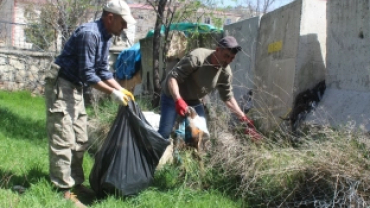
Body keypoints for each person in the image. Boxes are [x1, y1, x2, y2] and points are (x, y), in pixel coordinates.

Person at [44, 0, 135, 207]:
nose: (125, 27)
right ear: (110, 17)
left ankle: (75, 183)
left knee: (80, 138)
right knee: (63, 137)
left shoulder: (106, 37)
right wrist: (112, 92)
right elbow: (88, 73)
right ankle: (62, 191)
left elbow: (102, 70)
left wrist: (120, 89)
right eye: (123, 22)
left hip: (75, 87)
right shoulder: (90, 34)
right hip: (61, 84)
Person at [158, 36, 261, 141]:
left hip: (193, 100)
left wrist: (244, 119)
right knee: (164, 133)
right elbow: (172, 78)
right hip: (172, 95)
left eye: (232, 58)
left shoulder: (225, 72)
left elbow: (228, 98)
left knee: (198, 135)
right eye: (226, 56)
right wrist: (178, 100)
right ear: (217, 50)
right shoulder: (197, 58)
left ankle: (184, 149)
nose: (228, 61)